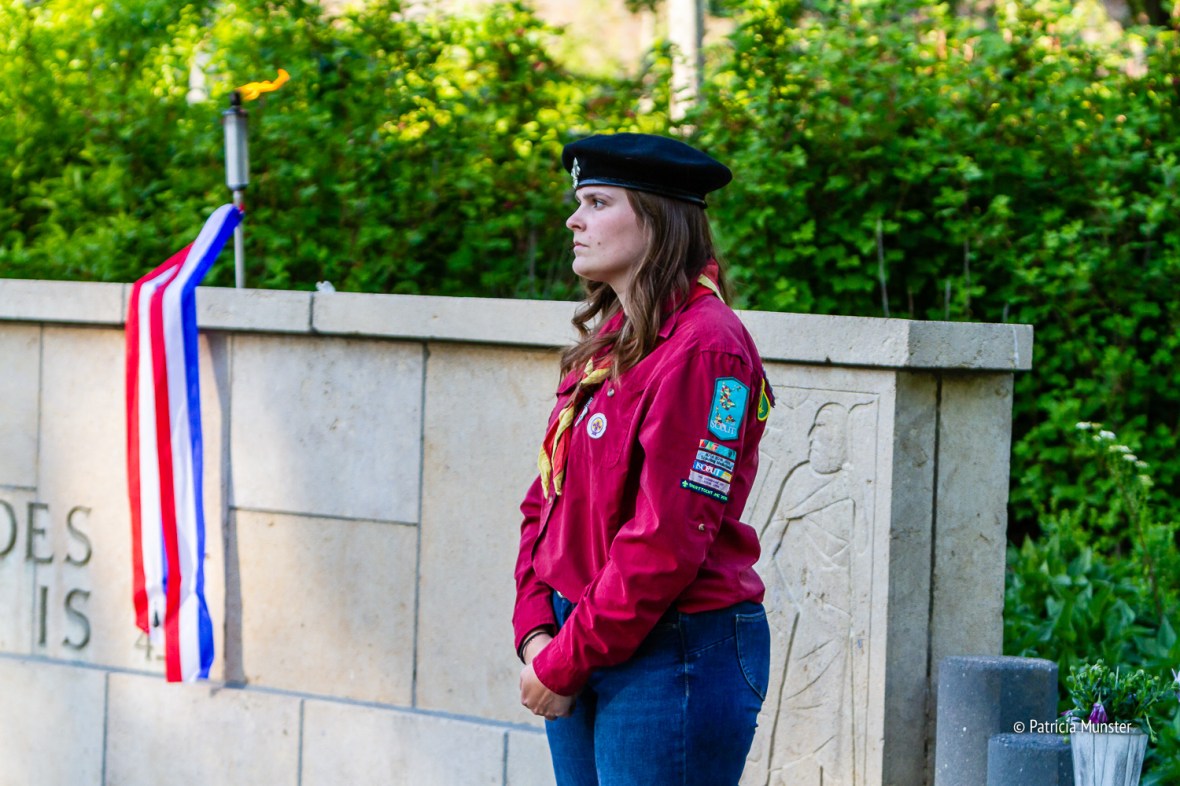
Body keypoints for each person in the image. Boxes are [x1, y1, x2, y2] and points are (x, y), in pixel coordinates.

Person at [512, 132, 775, 786]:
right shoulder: (615, 337)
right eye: (579, 202)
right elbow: (547, 498)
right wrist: (537, 625)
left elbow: (666, 538)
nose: (574, 220)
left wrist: (565, 659)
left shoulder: (707, 347)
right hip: (584, 633)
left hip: (672, 650)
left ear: (658, 220)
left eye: (598, 202)